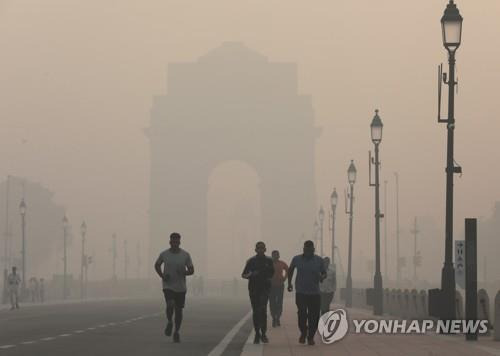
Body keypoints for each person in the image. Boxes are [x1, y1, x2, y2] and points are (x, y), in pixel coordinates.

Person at [154, 232, 194, 343]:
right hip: (168, 285)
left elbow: (191, 270)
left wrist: (184, 272)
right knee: (170, 304)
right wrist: (162, 275)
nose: (175, 243)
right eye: (173, 241)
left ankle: (176, 331)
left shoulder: (185, 255)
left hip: (181, 287)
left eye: (177, 241)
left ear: (179, 242)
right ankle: (169, 322)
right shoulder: (164, 254)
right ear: (170, 242)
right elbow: (157, 265)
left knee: (179, 311)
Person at [287, 240, 326, 346]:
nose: (308, 251)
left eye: (310, 249)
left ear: (313, 249)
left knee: (314, 316)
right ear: (303, 249)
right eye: (306, 249)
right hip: (301, 292)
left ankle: (311, 337)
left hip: (315, 293)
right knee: (302, 314)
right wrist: (289, 283)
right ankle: (303, 333)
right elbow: (290, 270)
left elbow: (324, 273)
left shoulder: (319, 260)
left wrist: (322, 277)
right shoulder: (297, 259)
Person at [242, 241, 274, 344]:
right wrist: (251, 274)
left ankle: (263, 333)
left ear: (265, 249)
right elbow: (243, 275)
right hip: (254, 289)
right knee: (256, 312)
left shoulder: (269, 261)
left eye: (262, 248)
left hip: (264, 289)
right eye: (258, 248)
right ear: (255, 250)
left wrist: (268, 277)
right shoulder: (251, 261)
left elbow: (272, 273)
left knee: (263, 311)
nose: (260, 250)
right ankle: (257, 333)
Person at [269, 250, 288, 327]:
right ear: (272, 256)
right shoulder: (269, 263)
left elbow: (288, 270)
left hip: (280, 285)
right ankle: (274, 318)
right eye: (274, 255)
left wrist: (285, 278)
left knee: (279, 302)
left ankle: (278, 317)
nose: (275, 256)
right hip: (271, 286)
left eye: (277, 255)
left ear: (279, 256)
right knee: (272, 303)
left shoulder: (282, 263)